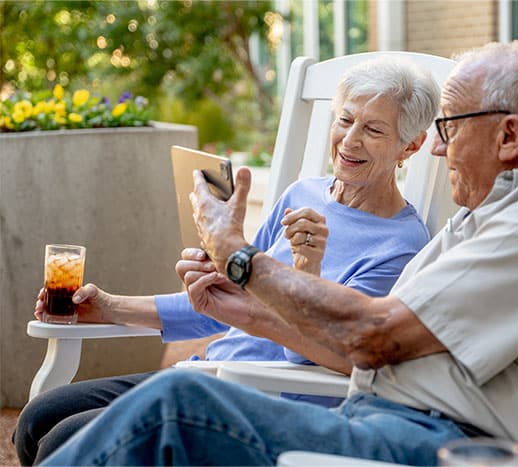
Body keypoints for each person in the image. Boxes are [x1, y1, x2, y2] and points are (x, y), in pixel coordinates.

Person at [41, 40, 518, 466]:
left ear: (509, 135)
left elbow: (370, 336)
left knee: (175, 408)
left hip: (462, 448)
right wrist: (238, 302)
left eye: (450, 127)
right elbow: (366, 349)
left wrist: (238, 254)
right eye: (345, 121)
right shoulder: (498, 219)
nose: (439, 150)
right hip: (390, 420)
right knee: (107, 414)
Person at [15, 57, 440, 466]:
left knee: (63, 438)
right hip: (211, 373)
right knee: (39, 419)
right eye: (345, 120)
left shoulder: (400, 245)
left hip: (267, 397)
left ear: (412, 144)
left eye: (374, 129)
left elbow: (324, 353)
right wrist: (108, 306)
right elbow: (231, 308)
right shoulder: (302, 195)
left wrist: (307, 270)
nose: (350, 140)